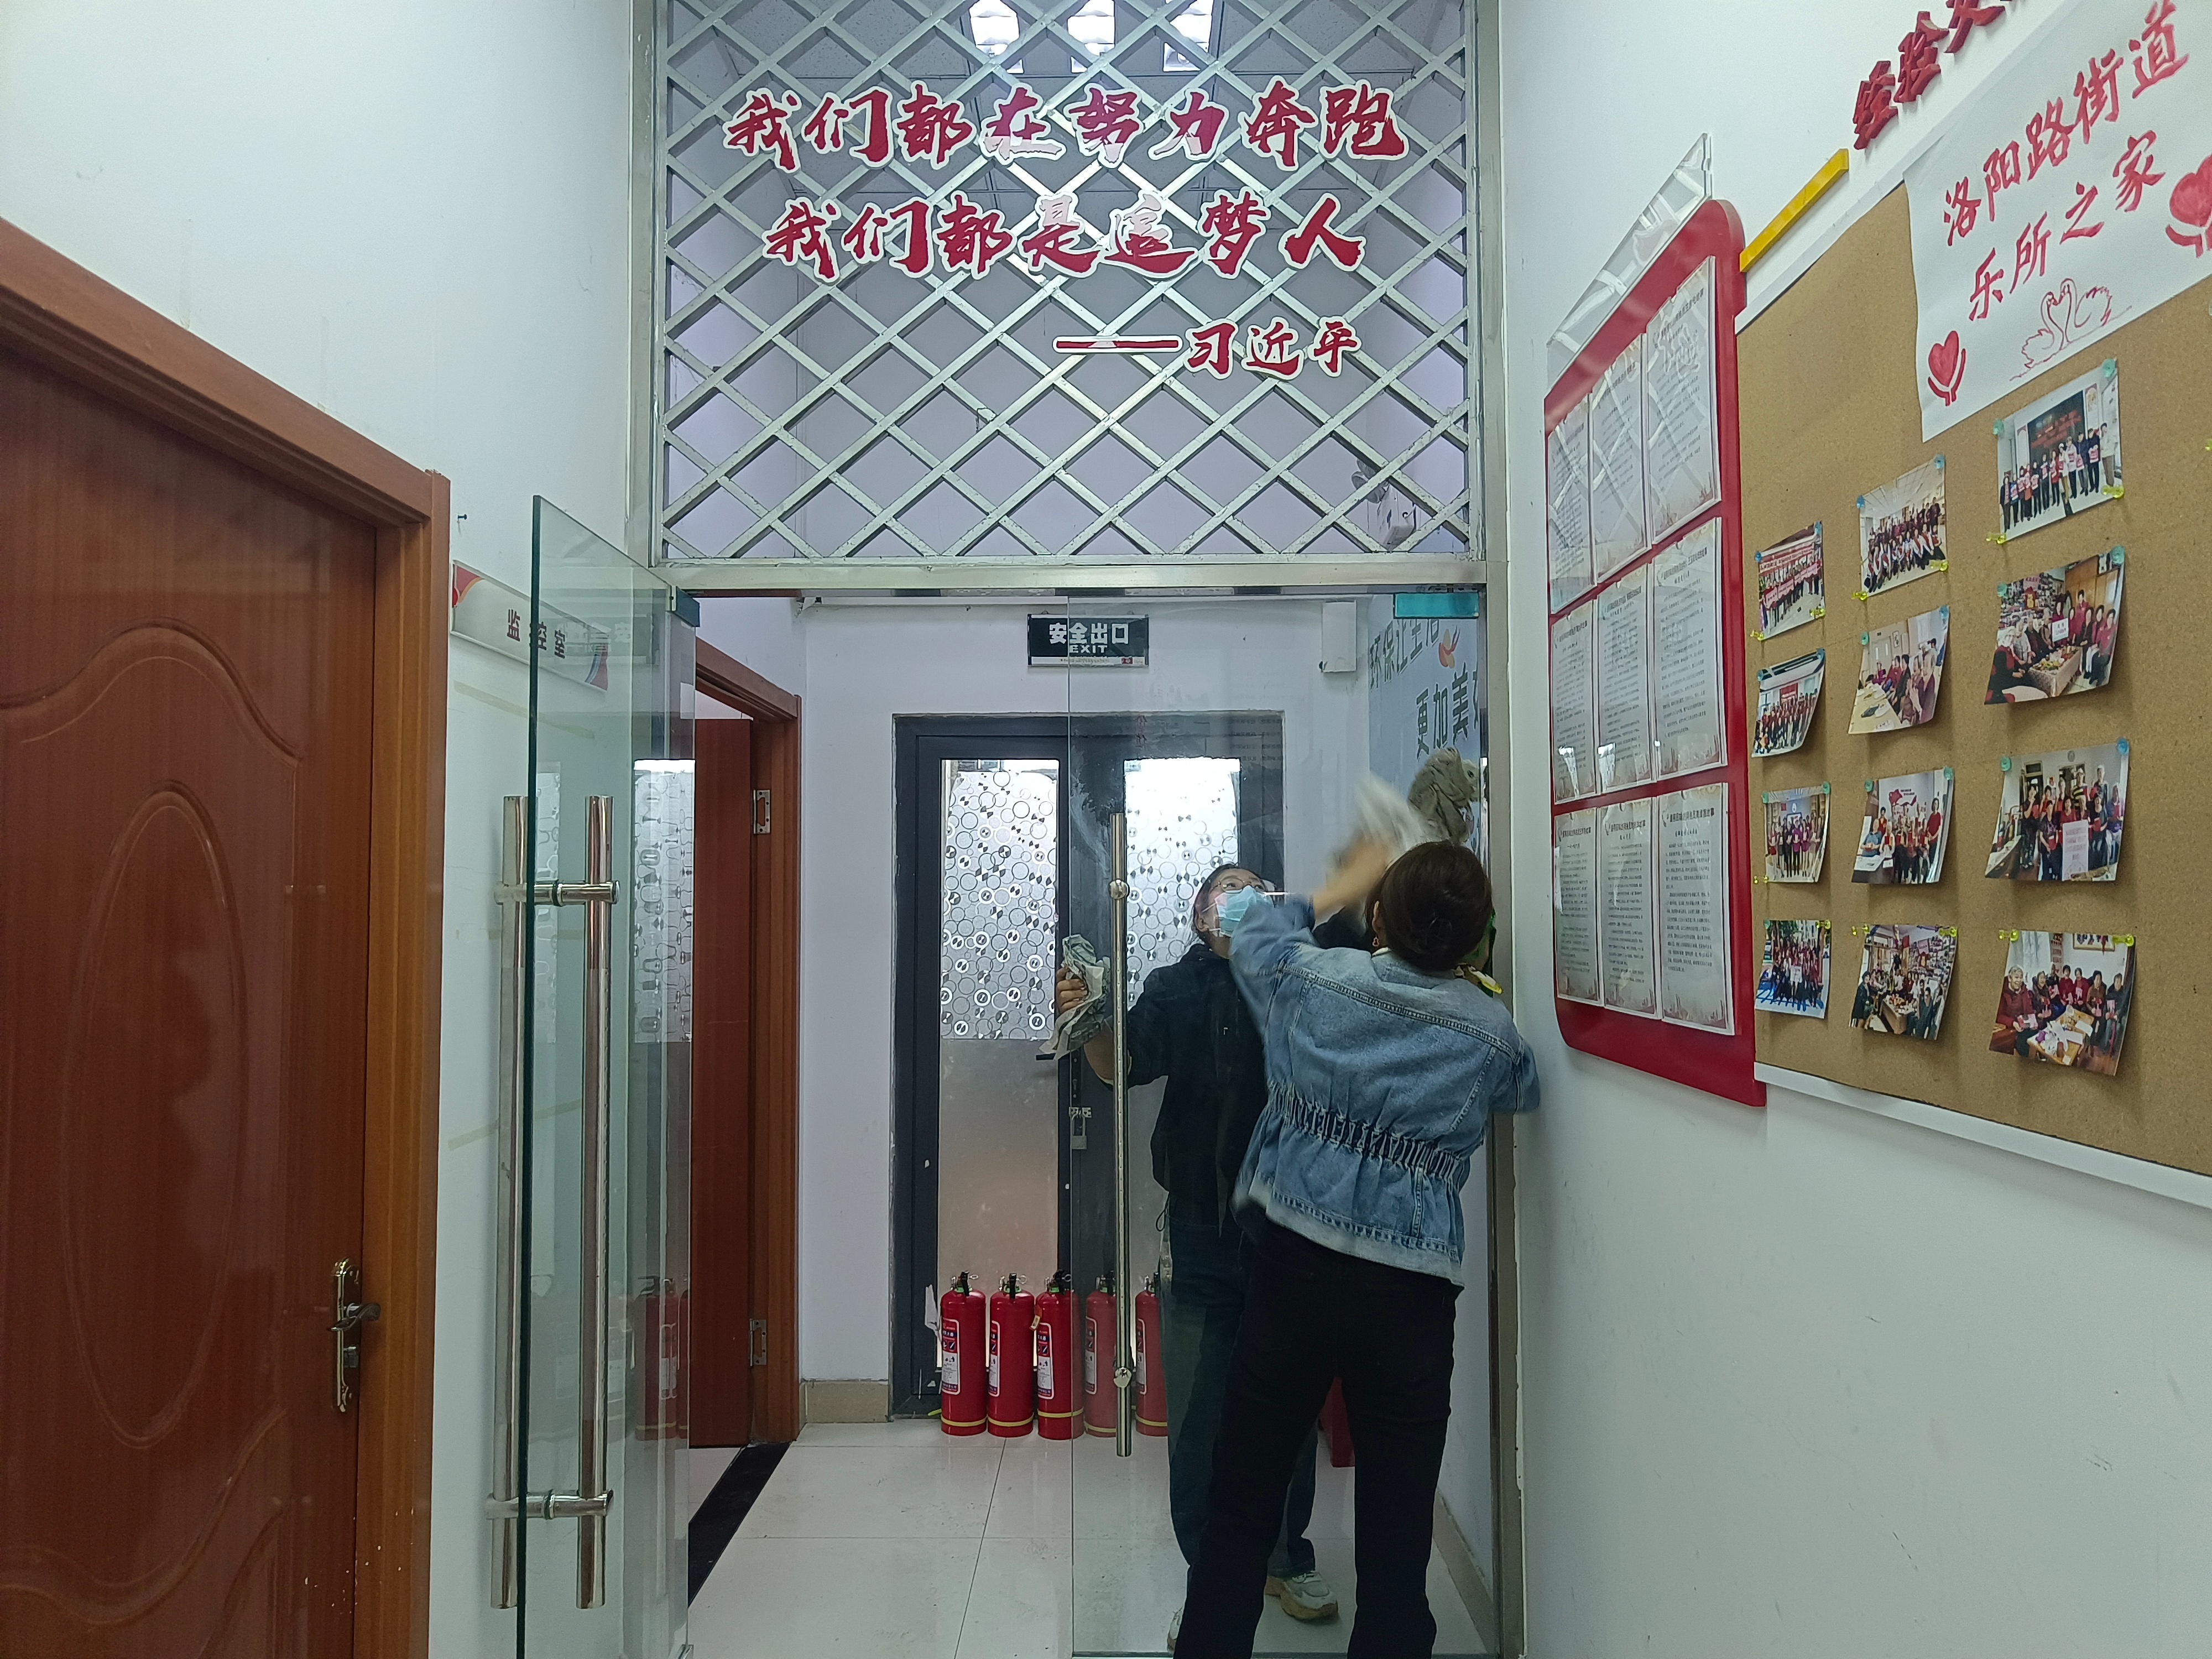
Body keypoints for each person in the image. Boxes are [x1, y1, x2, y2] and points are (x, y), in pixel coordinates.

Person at [1175, 840, 1539, 1659]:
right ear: (1476, 941)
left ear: (1378, 919)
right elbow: (1522, 1090)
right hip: (1409, 1302)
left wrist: (1339, 883)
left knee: (1241, 1506)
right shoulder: (1491, 1033)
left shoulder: (1314, 980)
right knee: (1397, 1540)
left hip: (1292, 1277)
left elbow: (1244, 920)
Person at [1055, 864, 1346, 1644]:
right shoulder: (1175, 989)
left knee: (1288, 1407)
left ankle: (1284, 1557)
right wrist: (1089, 1020)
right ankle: (1213, 1578)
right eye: (1226, 891)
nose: (1240, 899)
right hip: (1199, 1232)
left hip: (1290, 1229)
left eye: (1256, 888)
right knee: (1198, 1418)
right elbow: (1122, 1063)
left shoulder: (1300, 976)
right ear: (1198, 915)